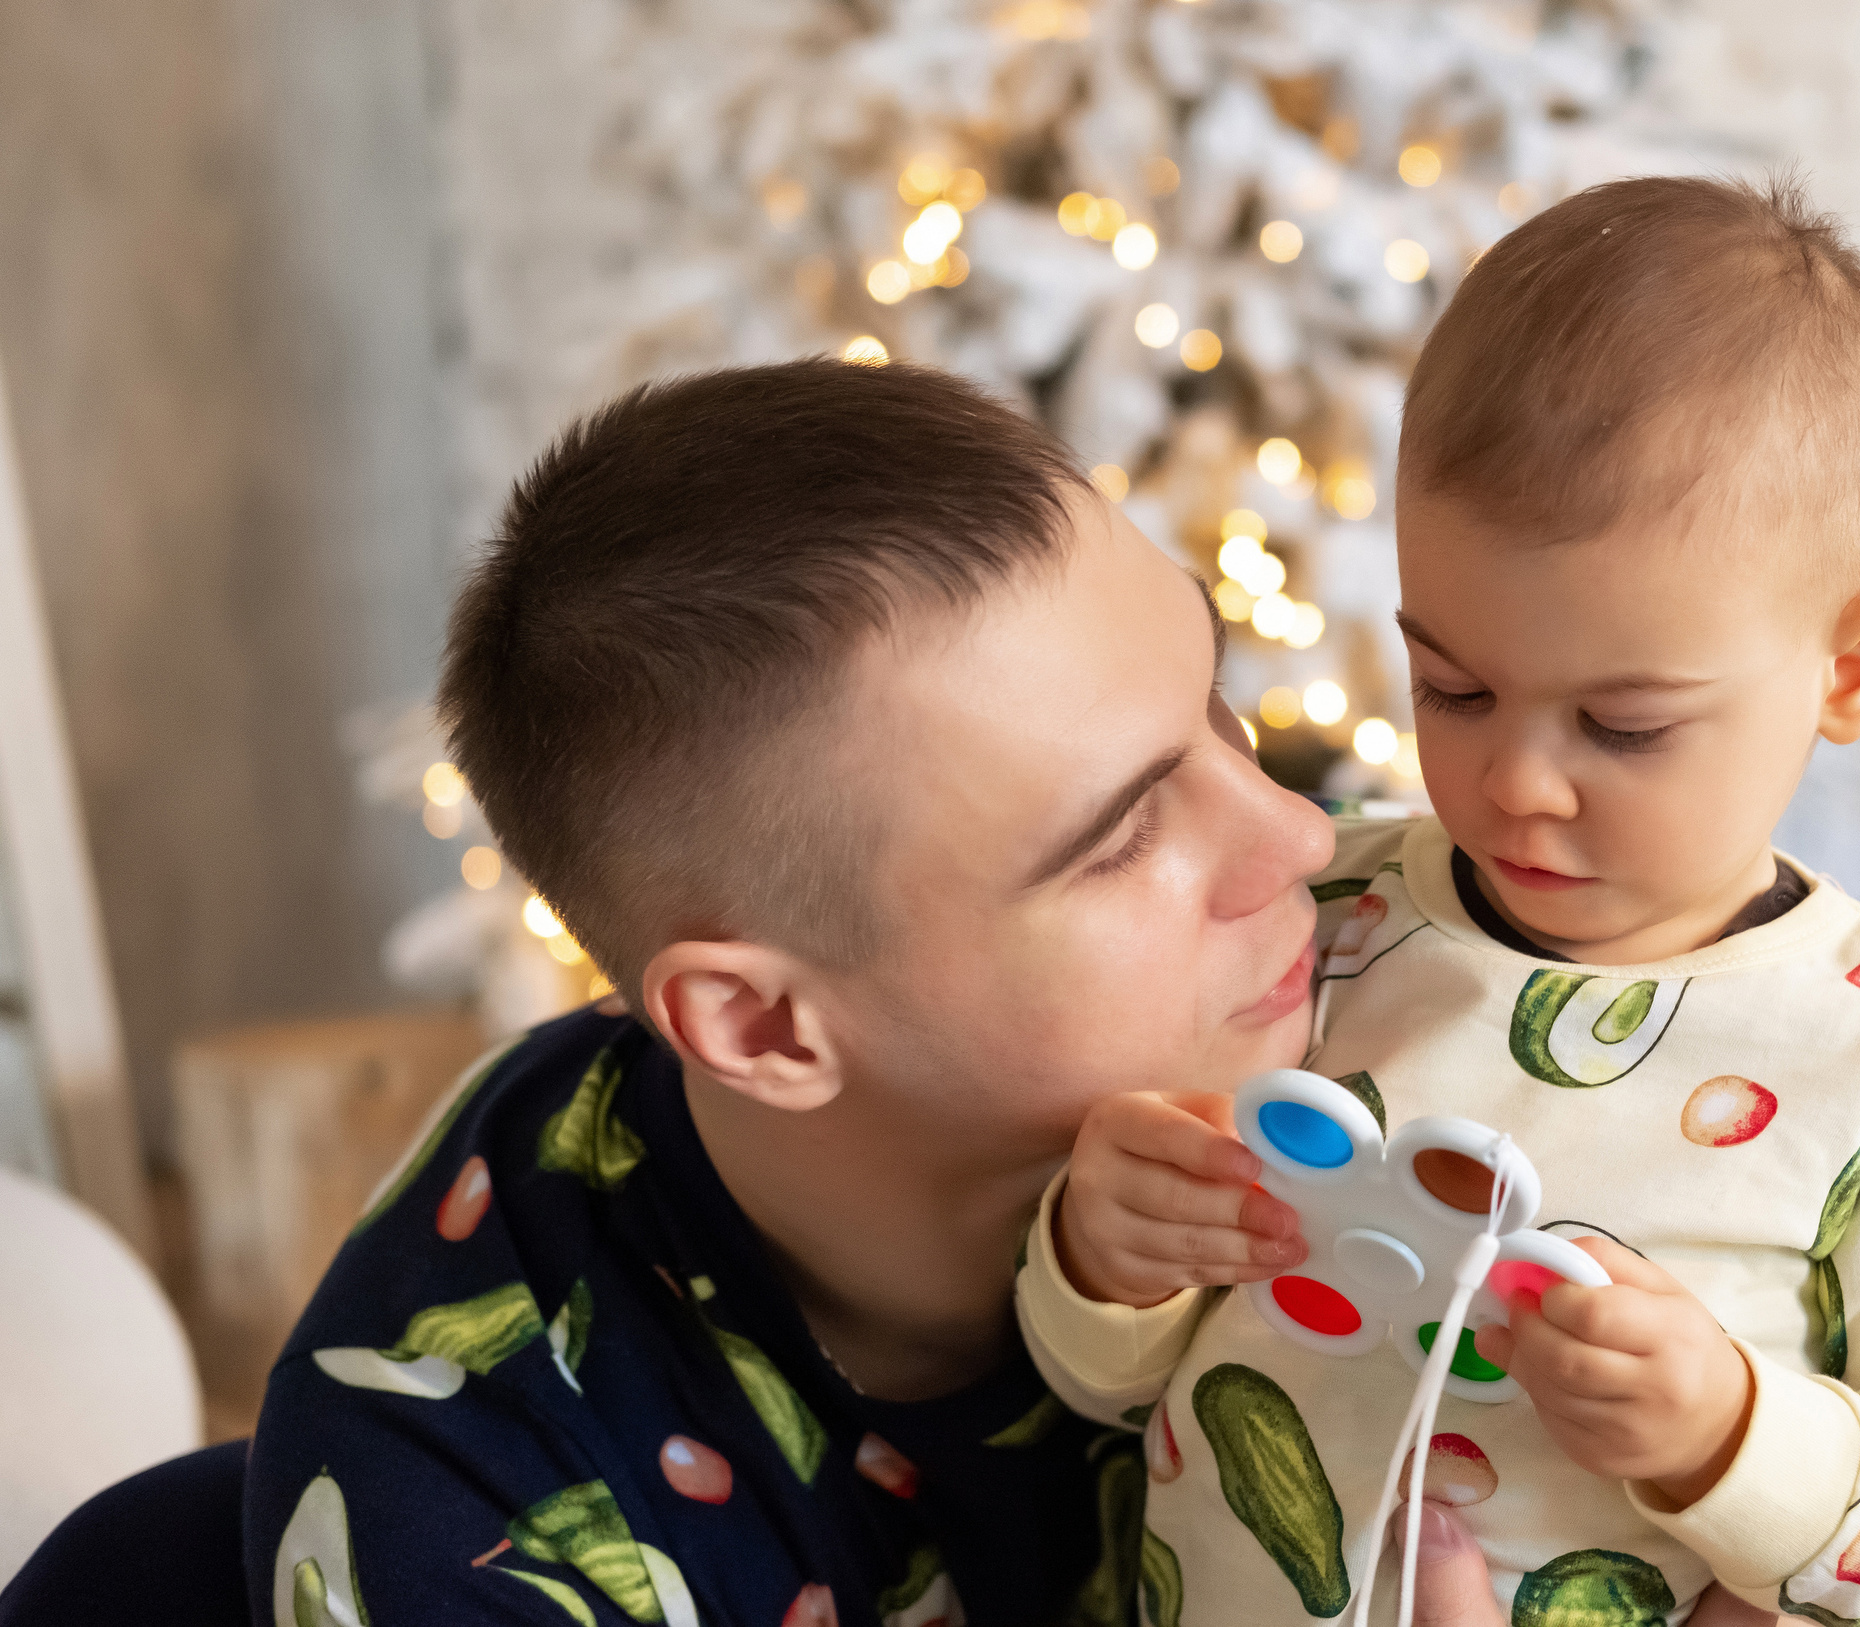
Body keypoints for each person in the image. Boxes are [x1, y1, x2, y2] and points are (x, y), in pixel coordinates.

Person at [246, 359, 1481, 1625]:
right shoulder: (464, 1525)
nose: (1302, 841)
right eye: (1118, 836)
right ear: (763, 1026)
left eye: (1216, 706)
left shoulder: (1427, 945)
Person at [1024, 176, 1860, 1626]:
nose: (1516, 783)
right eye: (1454, 685)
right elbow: (1106, 1382)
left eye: (1624, 726)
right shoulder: (1319, 910)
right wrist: (1101, 1253)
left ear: (1858, 665)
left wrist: (1734, 1435)